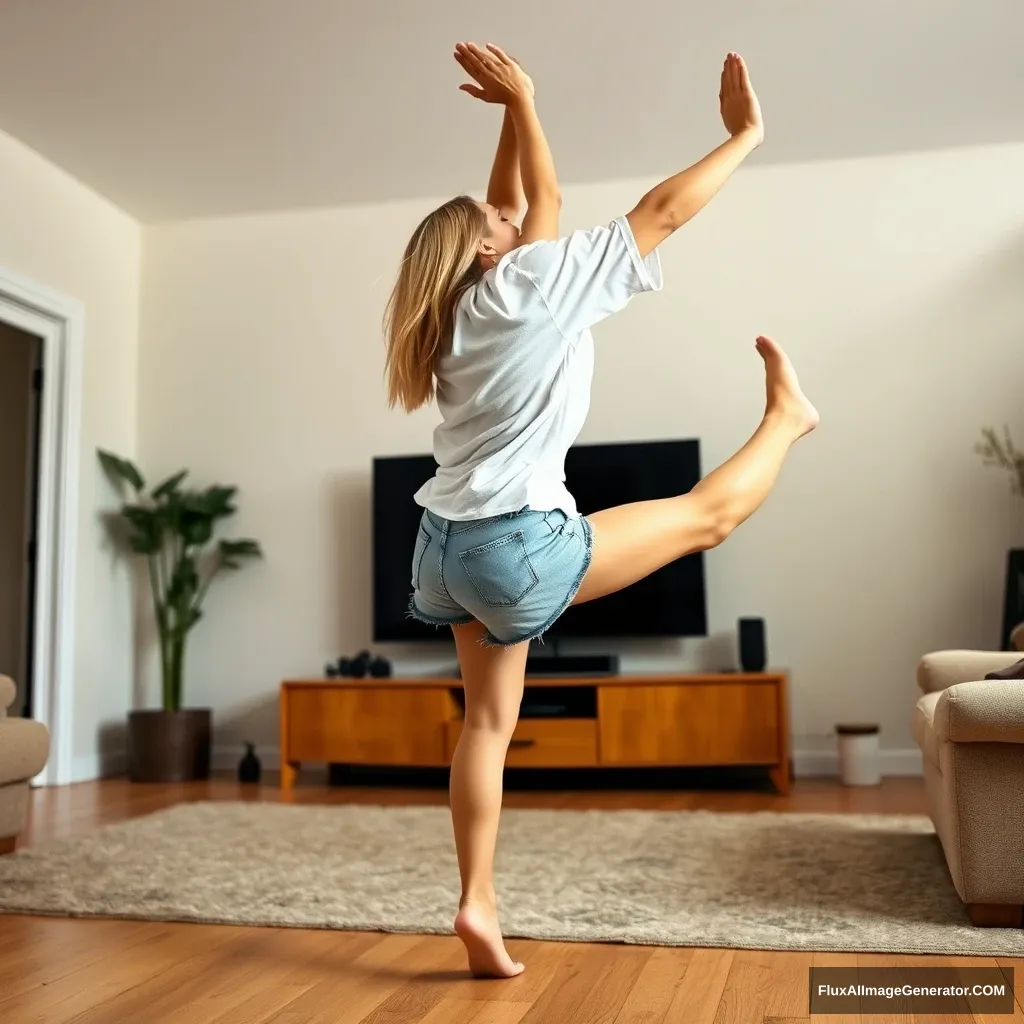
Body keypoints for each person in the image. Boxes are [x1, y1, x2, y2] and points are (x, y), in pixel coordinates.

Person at [382, 44, 817, 978]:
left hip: (442, 552)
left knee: (484, 727)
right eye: (496, 220)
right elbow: (652, 213)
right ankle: (788, 420)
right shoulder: (532, 285)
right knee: (706, 517)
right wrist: (745, 135)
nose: (511, 213)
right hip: (514, 547)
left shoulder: (448, 320)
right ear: (490, 251)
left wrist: (511, 111)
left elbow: (526, 204)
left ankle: (476, 900)